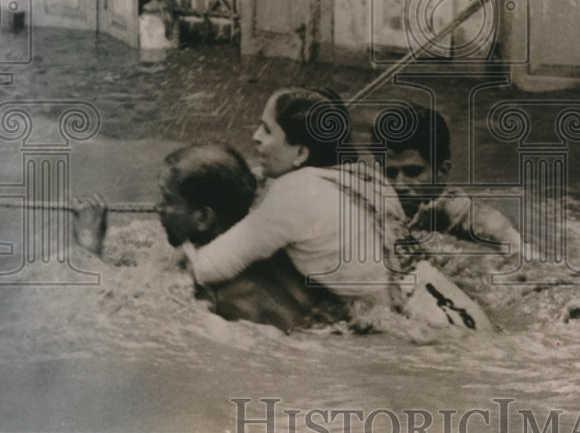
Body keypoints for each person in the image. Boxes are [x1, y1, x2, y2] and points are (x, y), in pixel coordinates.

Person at [183, 88, 491, 331]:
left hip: (426, 330)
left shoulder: (294, 192)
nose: (255, 137)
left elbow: (207, 268)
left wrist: (177, 251)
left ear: (301, 152)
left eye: (267, 130)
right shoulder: (370, 177)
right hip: (459, 310)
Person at [72, 143, 344, 334]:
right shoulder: (276, 248)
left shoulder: (216, 292)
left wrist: (89, 248)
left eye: (167, 200)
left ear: (203, 218)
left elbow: (100, 314)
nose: (158, 208)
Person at [372, 103, 521, 253]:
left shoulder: (476, 220)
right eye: (390, 173)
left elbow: (526, 261)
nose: (399, 186)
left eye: (413, 172)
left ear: (442, 171)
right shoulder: (372, 208)